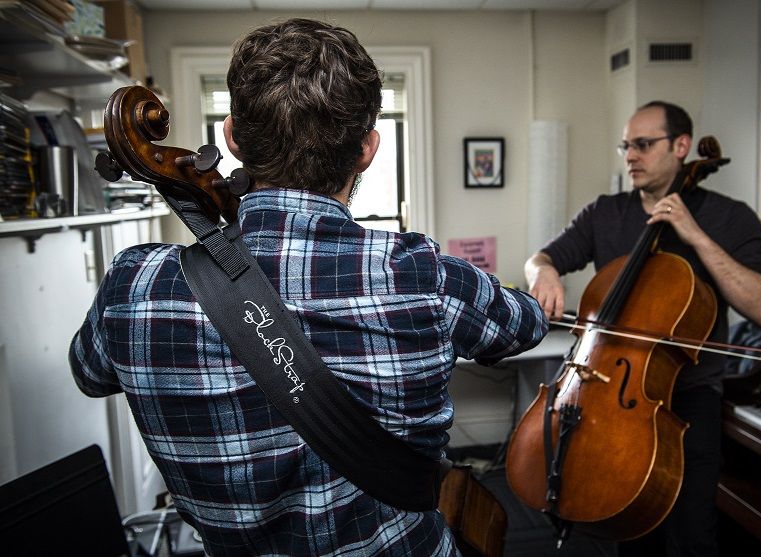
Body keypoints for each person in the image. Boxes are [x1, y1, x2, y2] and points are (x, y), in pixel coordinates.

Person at [70, 19, 548, 557]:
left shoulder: (132, 286)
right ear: (368, 148)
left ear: (229, 137)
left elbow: (89, 373)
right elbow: (526, 325)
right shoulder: (420, 274)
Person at [525, 101, 761, 557]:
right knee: (631, 535)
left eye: (643, 145)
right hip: (606, 394)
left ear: (681, 146)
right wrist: (542, 272)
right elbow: (542, 257)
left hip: (687, 406)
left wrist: (695, 234)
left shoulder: (729, 217)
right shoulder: (605, 212)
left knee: (691, 538)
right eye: (626, 146)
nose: (630, 156)